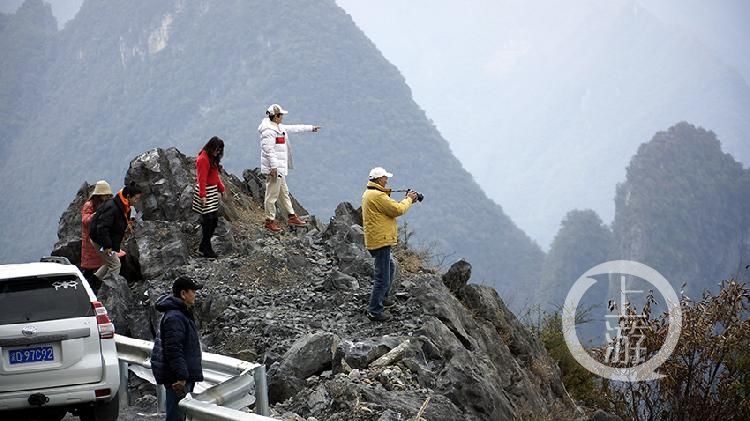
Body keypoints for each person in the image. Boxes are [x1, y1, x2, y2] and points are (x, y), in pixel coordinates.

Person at [361, 167, 419, 321]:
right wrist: (409, 199)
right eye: (385, 178)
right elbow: (397, 209)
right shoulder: (377, 196)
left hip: (378, 238)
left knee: (390, 266)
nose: (387, 180)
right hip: (381, 240)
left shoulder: (371, 193)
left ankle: (383, 298)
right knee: (382, 277)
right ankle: (375, 310)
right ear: (379, 179)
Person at [258, 103, 320, 232]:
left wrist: (310, 128)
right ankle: (269, 221)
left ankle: (291, 216)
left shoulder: (277, 127)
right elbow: (268, 150)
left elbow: (294, 128)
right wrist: (274, 167)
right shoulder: (269, 131)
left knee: (283, 193)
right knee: (271, 195)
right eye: (281, 115)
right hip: (274, 170)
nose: (282, 117)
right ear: (275, 117)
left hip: (279, 169)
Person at [151, 276, 204, 421]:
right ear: (183, 294)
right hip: (178, 379)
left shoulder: (180, 314)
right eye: (193, 291)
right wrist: (181, 377)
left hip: (181, 375)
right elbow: (174, 350)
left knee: (179, 415)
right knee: (176, 417)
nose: (195, 295)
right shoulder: (175, 317)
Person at [89, 181, 142, 280]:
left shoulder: (124, 207)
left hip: (102, 239)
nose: (137, 201)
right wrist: (107, 245)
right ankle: (109, 289)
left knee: (111, 262)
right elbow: (102, 227)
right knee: (116, 265)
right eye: (136, 198)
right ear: (128, 196)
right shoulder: (113, 207)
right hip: (99, 240)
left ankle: (94, 282)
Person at [192, 136, 226, 258]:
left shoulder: (212, 159)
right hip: (205, 192)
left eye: (219, 151)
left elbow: (215, 176)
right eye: (217, 150)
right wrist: (202, 195)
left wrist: (221, 188)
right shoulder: (203, 159)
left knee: (213, 221)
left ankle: (204, 246)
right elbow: (201, 179)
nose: (218, 153)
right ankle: (206, 248)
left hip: (212, 192)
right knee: (208, 221)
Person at [80, 180, 113, 293]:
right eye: (106, 195)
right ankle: (87, 289)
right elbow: (85, 221)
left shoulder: (106, 205)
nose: (107, 197)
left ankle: (95, 286)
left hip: (101, 240)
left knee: (111, 261)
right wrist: (97, 214)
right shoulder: (89, 205)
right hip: (91, 243)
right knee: (90, 269)